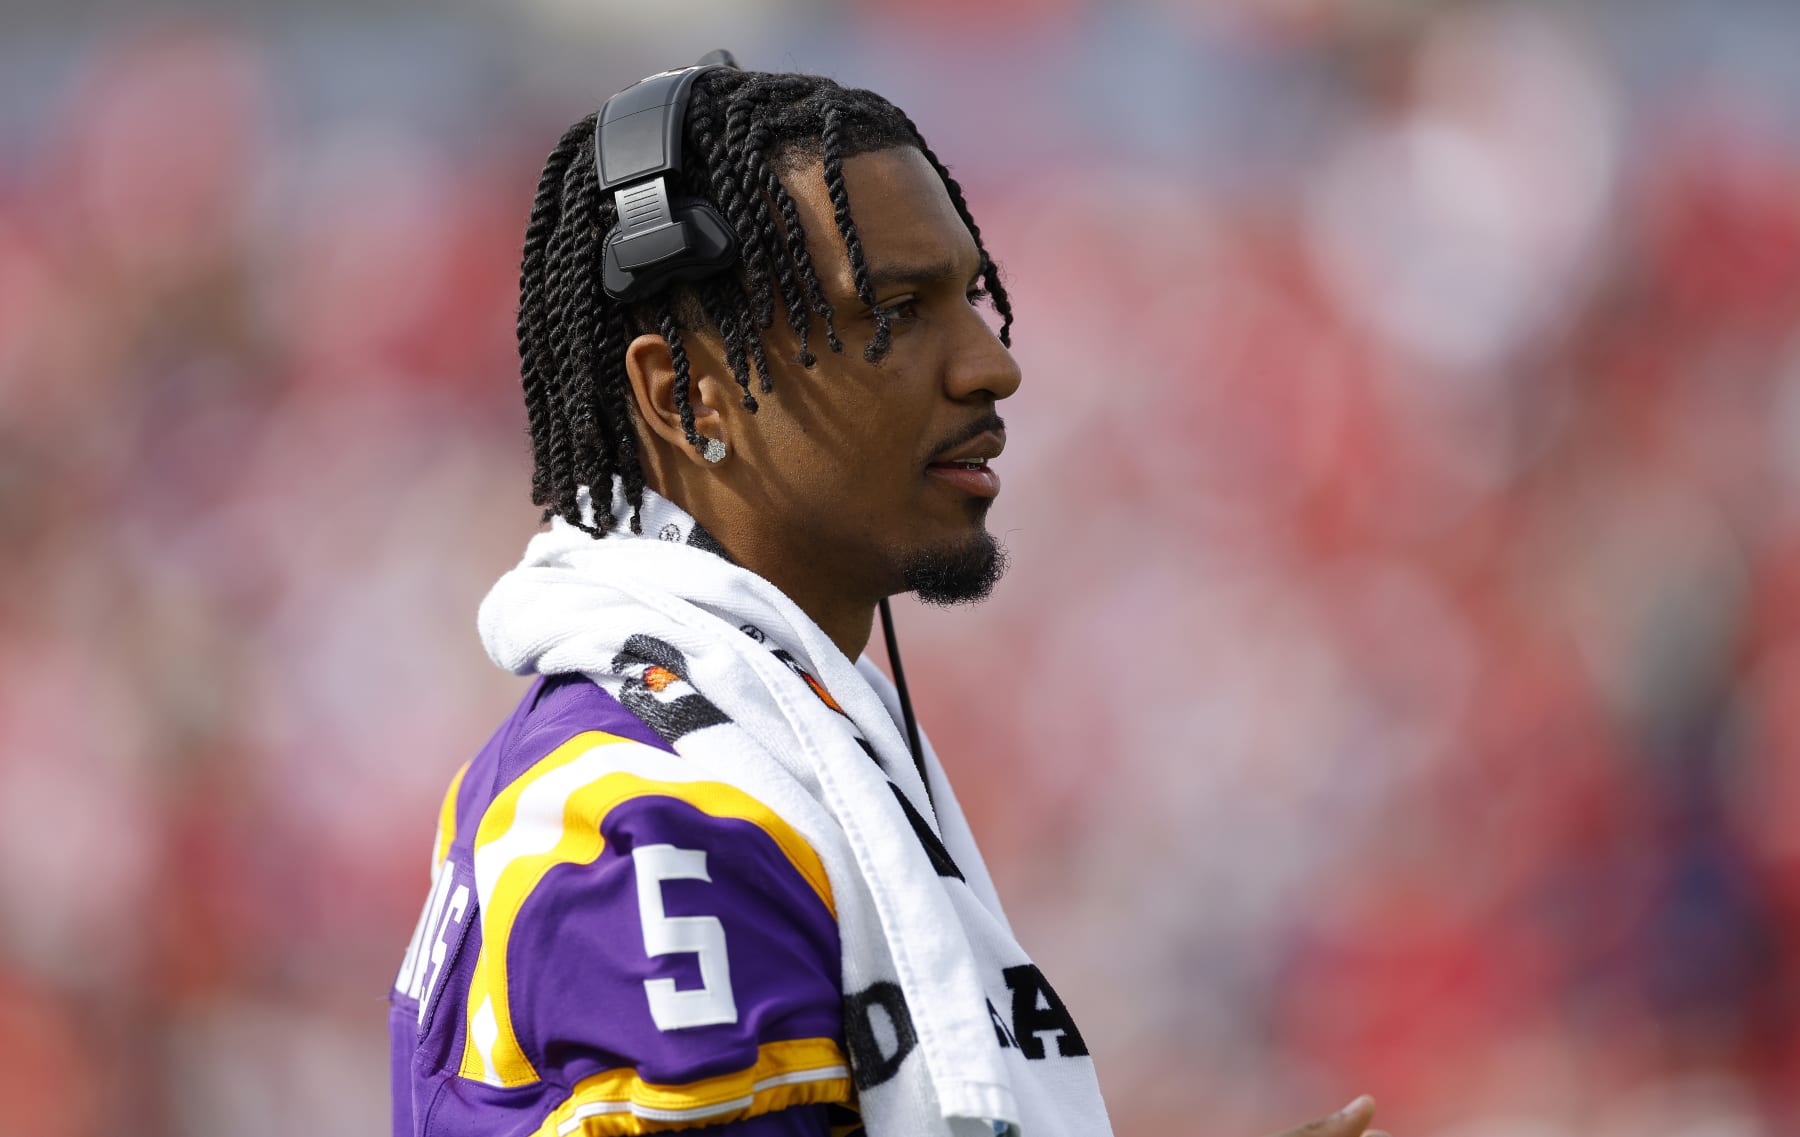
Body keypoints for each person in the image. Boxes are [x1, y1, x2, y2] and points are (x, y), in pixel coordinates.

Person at [387, 59, 1392, 1137]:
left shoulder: (772, 742)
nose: (989, 366)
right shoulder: (652, 822)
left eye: (972, 299)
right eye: (896, 311)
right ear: (687, 394)